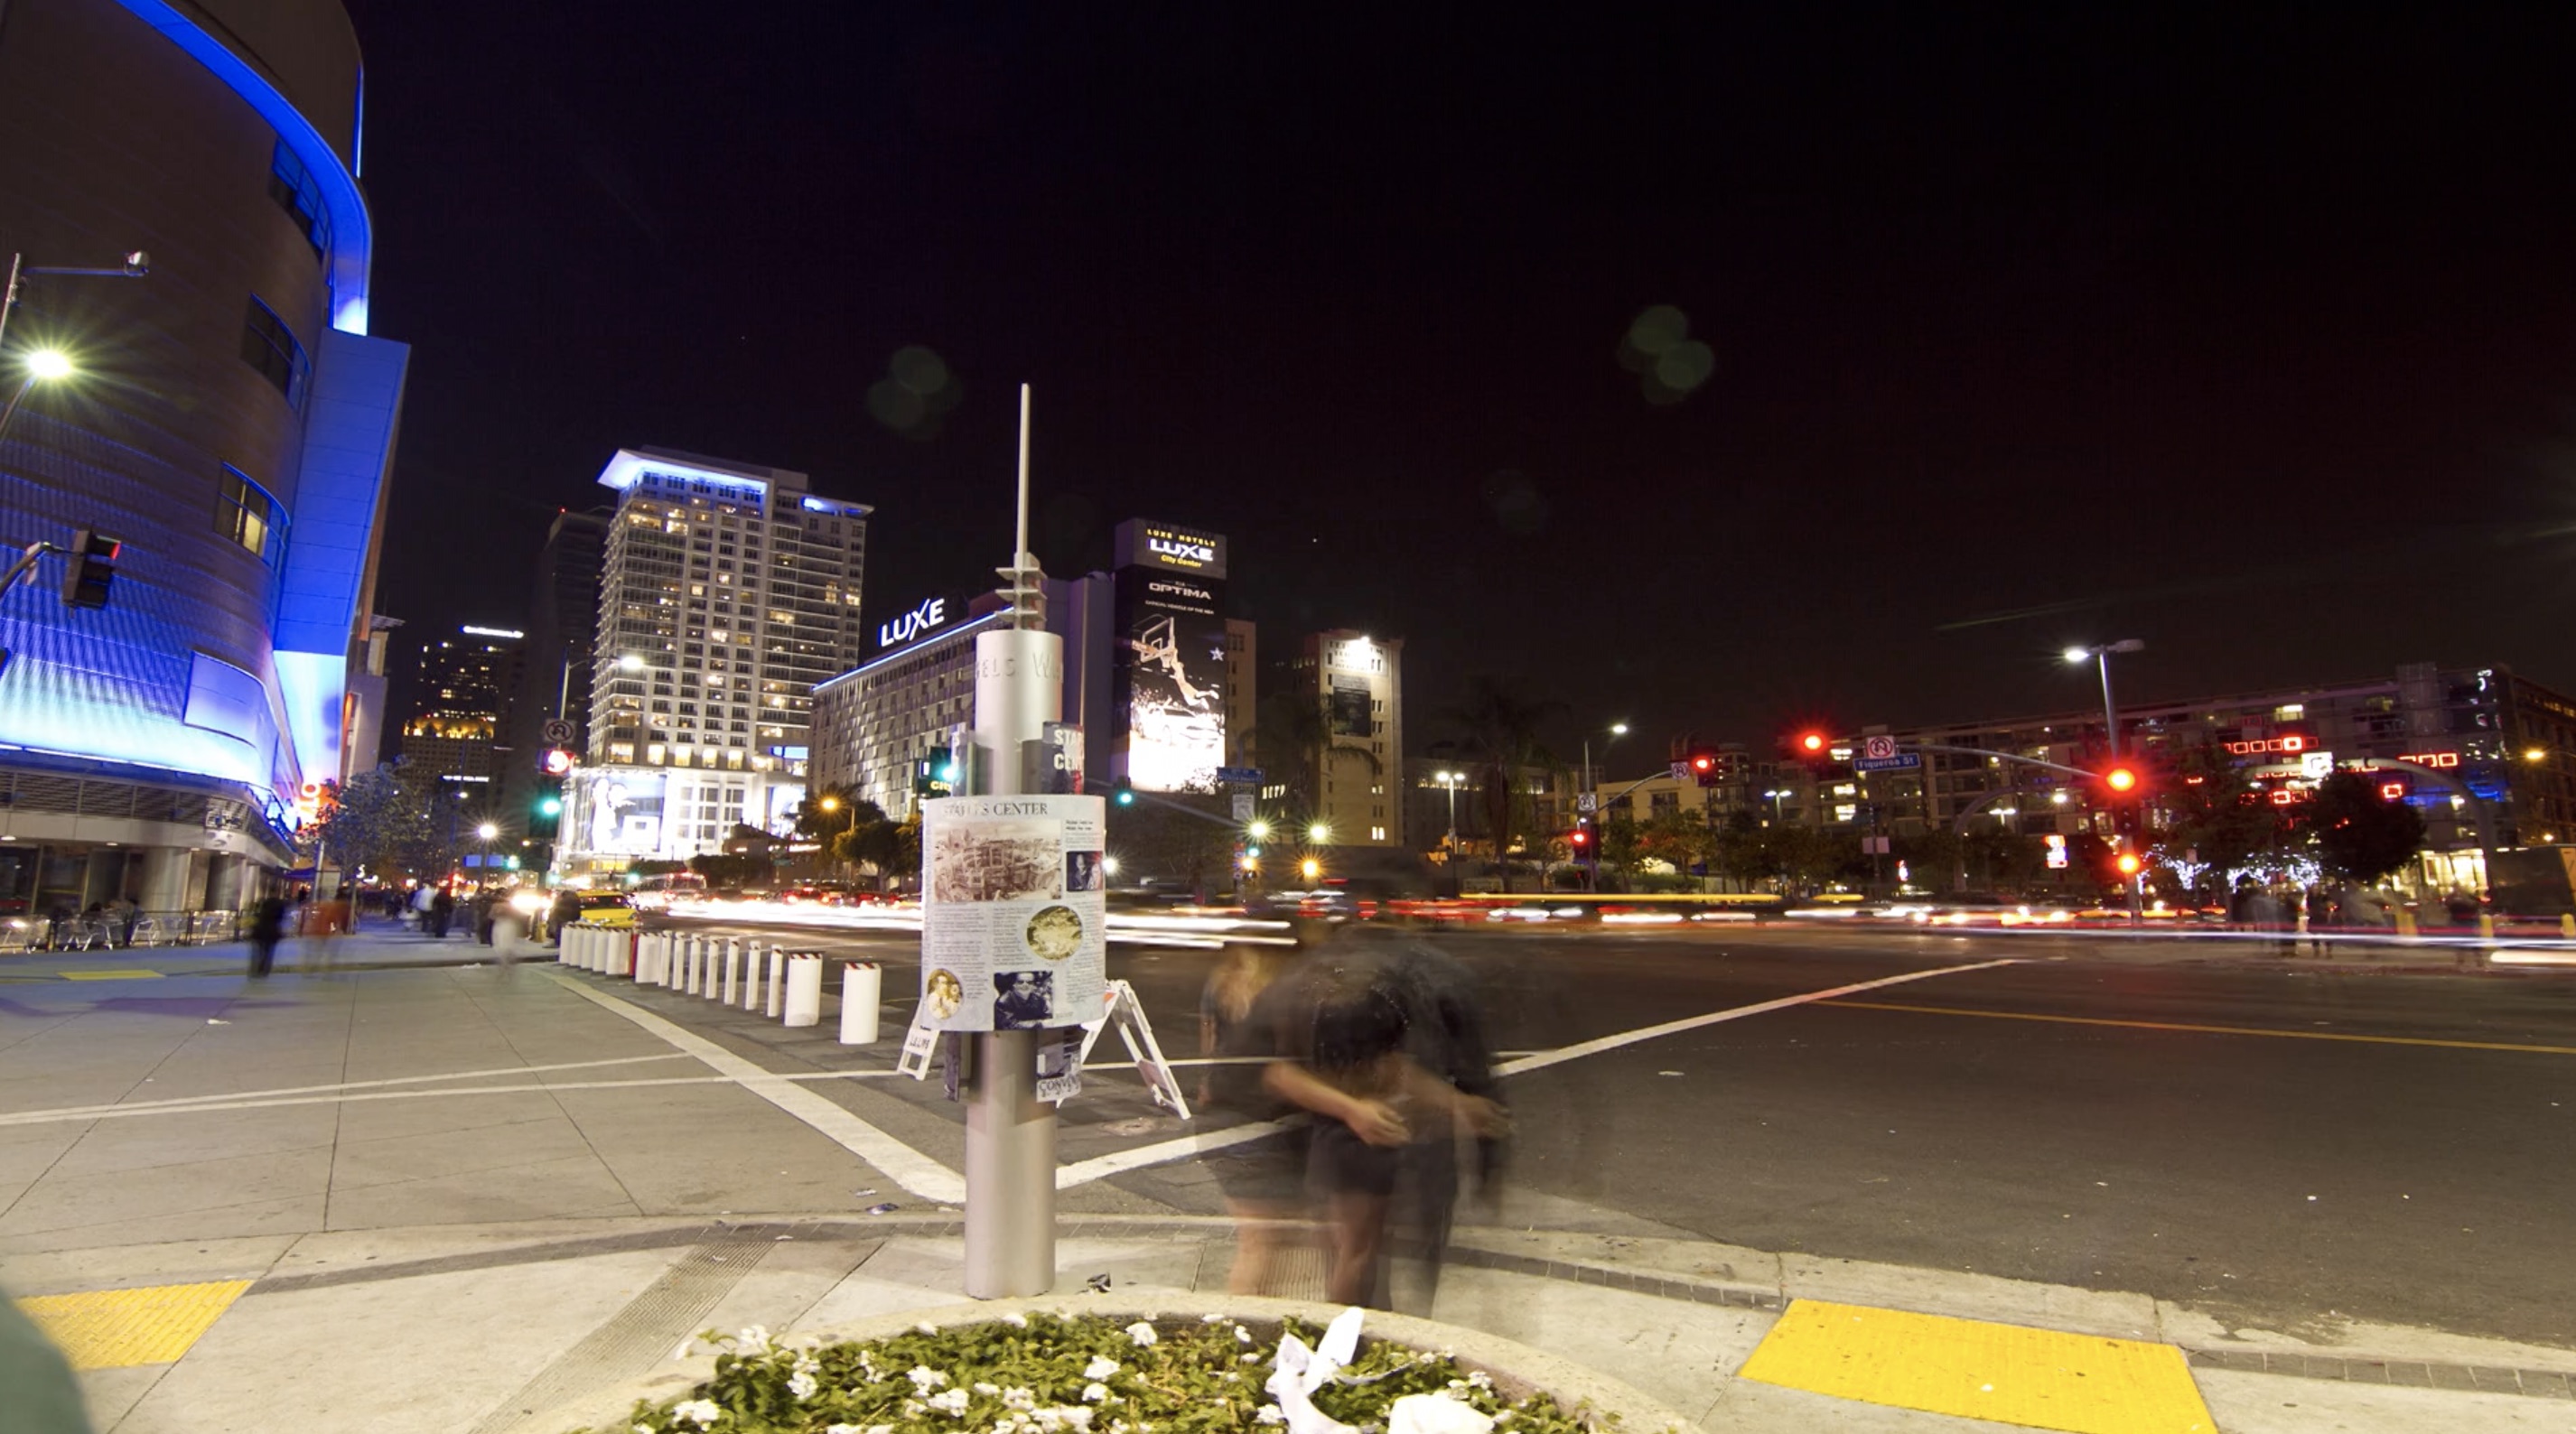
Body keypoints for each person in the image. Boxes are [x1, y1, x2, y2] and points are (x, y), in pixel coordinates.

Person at [247, 893, 285, 978]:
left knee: (258, 950)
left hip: (260, 930)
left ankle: (255, 970)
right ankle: (264, 970)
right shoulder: (279, 905)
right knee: (268, 951)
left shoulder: (262, 904)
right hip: (272, 931)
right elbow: (281, 918)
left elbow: (255, 916)